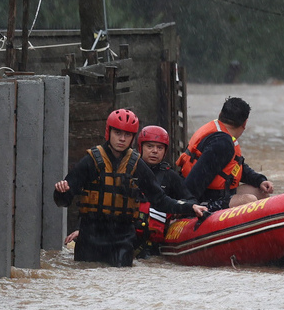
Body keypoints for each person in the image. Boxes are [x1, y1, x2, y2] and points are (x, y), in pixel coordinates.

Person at [54, 109, 207, 267]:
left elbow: (160, 200)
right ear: (109, 132)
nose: (122, 139)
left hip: (122, 242)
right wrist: (61, 192)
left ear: (133, 138)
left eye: (127, 135)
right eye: (118, 133)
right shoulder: (90, 161)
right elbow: (63, 201)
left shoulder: (137, 165)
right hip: (90, 240)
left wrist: (191, 207)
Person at [177, 96, 274, 211]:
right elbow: (196, 180)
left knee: (261, 192)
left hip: (216, 194)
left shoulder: (222, 134)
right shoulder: (221, 144)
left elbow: (236, 168)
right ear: (244, 123)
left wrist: (260, 180)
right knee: (249, 200)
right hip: (202, 201)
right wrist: (186, 207)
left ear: (220, 115)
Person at [135, 125, 192, 257]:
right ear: (140, 147)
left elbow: (190, 200)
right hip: (128, 241)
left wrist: (177, 212)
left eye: (159, 148)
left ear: (165, 151)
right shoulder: (128, 171)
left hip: (155, 247)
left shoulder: (170, 177)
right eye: (150, 146)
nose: (155, 151)